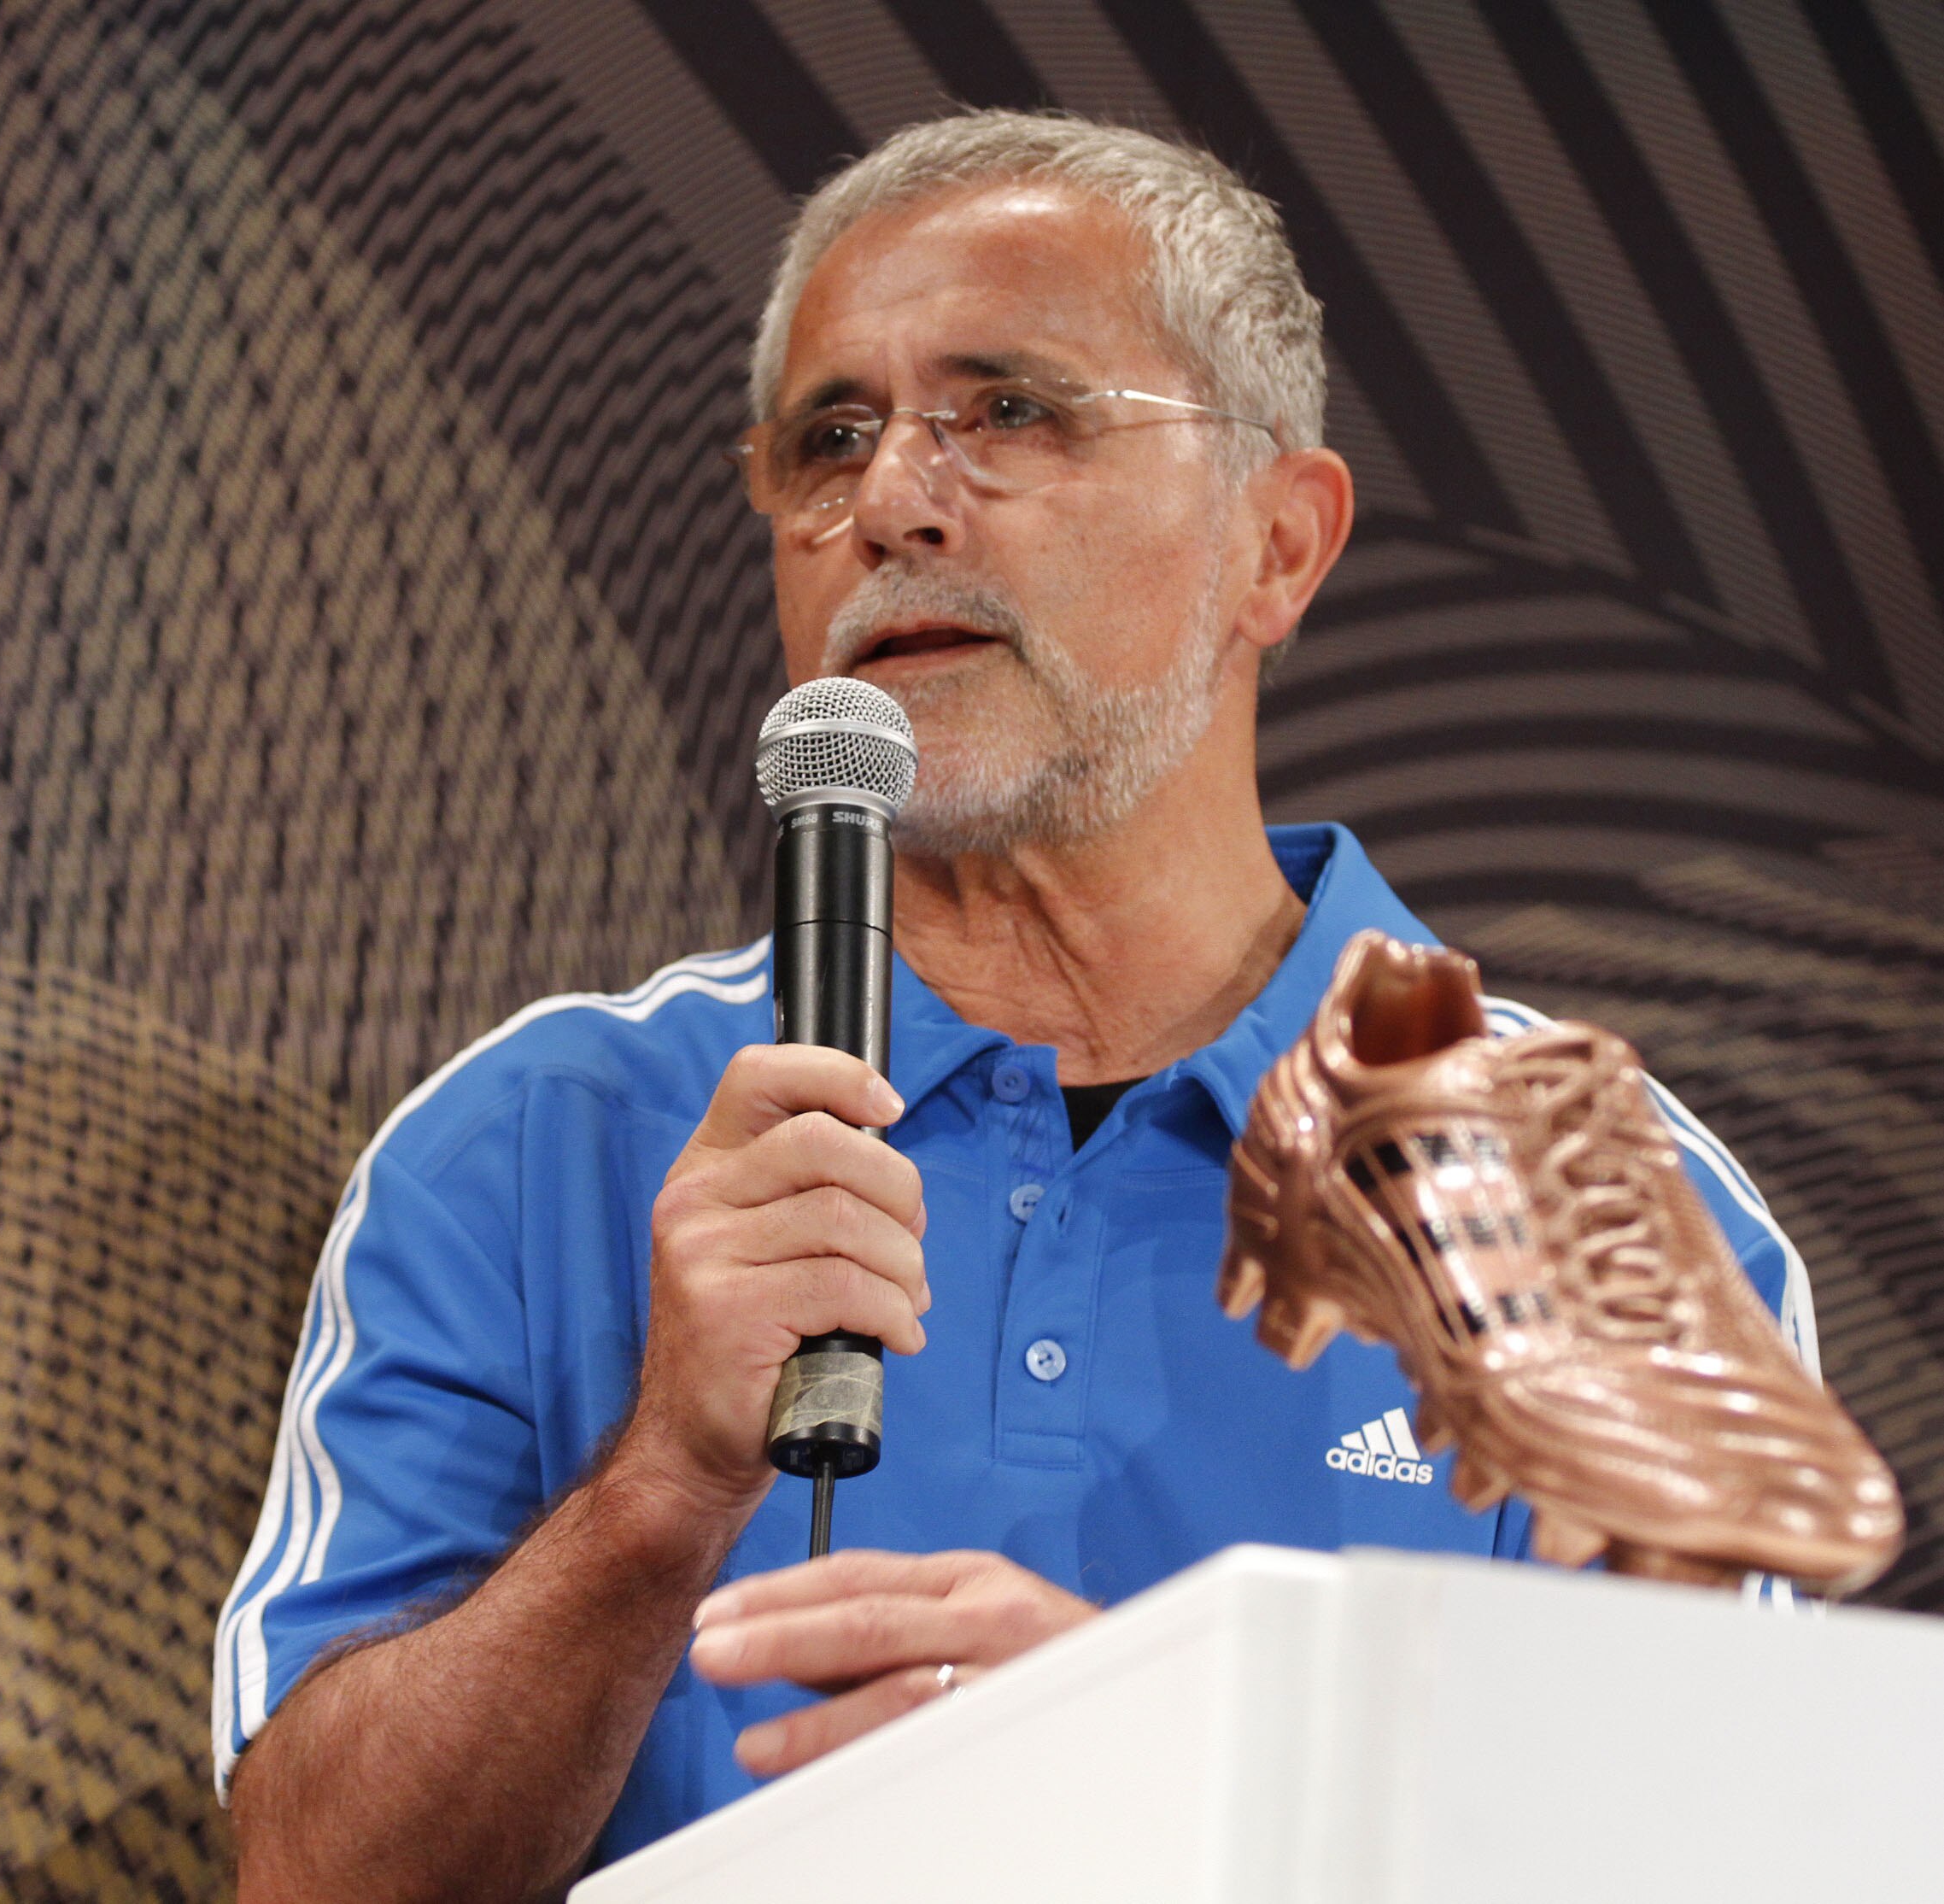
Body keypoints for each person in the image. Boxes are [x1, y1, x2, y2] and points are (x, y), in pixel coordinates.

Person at [215, 111, 1813, 1901]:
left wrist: (1178, 1786)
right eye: (831, 437)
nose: (892, 499)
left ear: (1274, 544)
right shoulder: (527, 1146)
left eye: (1008, 410)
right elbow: (307, 1878)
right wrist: (656, 1490)